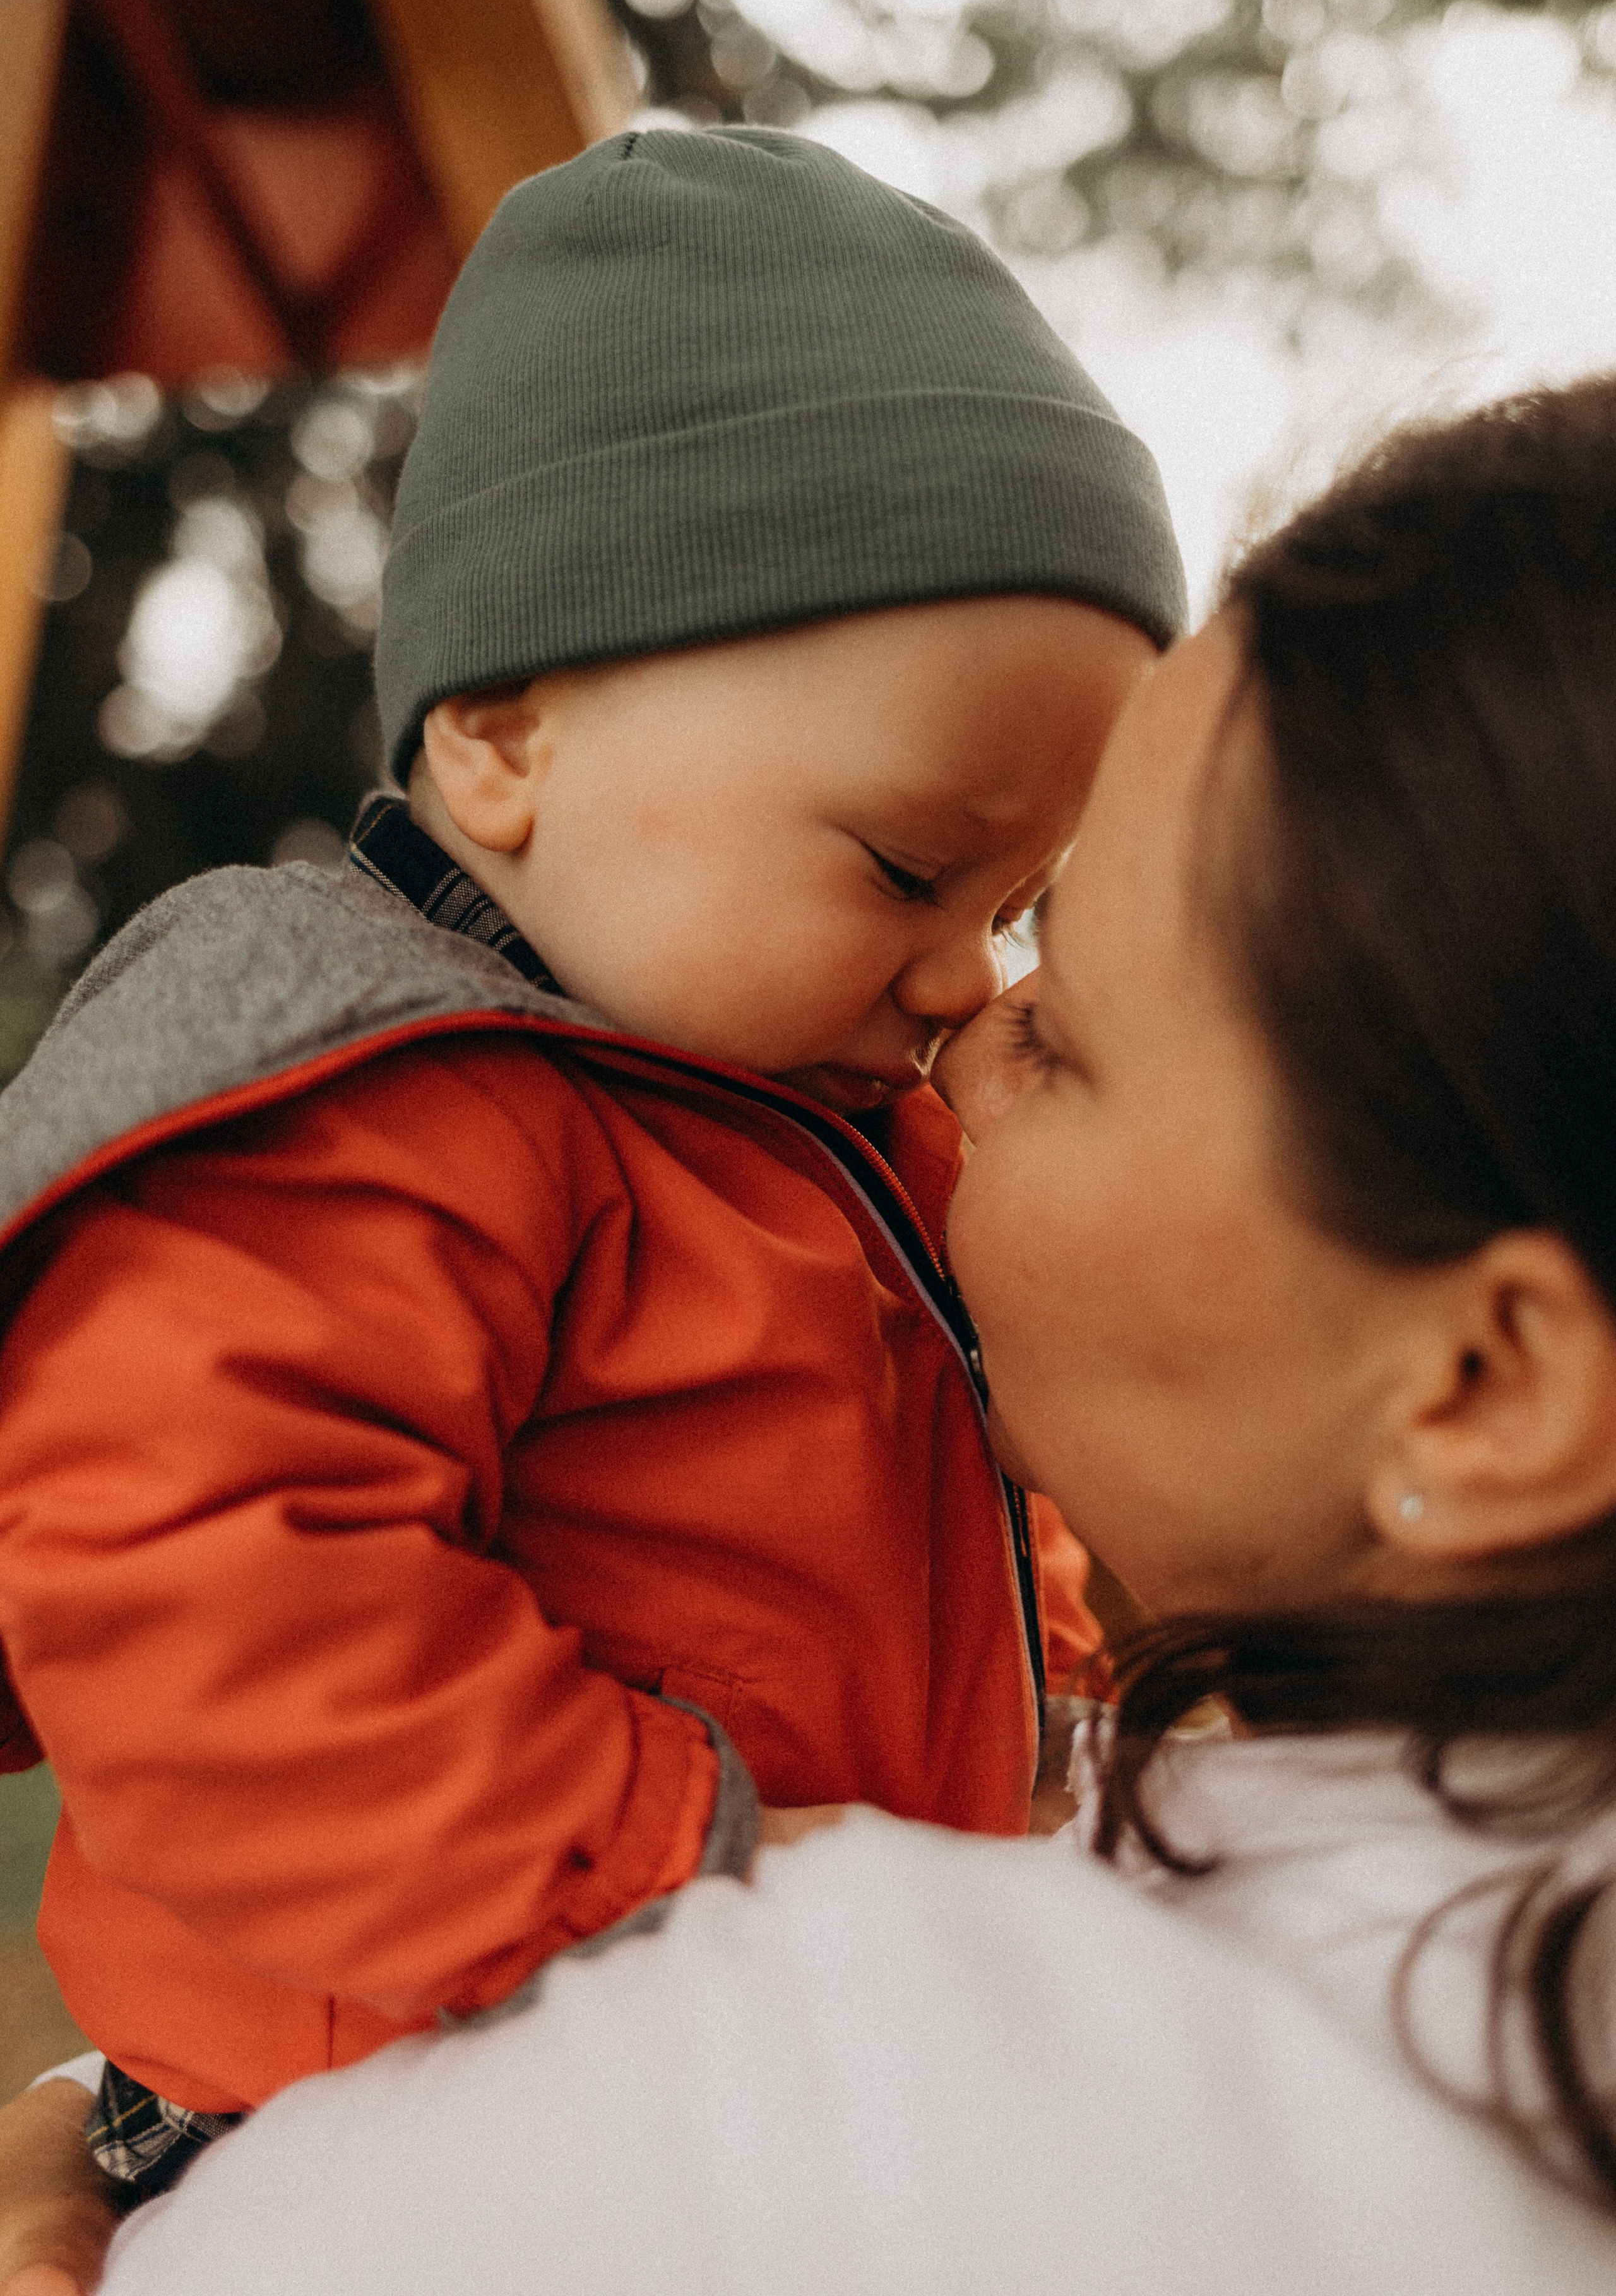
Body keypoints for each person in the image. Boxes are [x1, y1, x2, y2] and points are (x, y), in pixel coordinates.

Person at [14, 371, 1616, 2296]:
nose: (958, 1026)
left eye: (1062, 1020)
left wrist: (123, 2160)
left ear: (1486, 1386)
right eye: (923, 885)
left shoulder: (796, 2123)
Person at [0, 126, 1183, 2210]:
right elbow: (201, 1575)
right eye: (914, 865)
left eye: (1020, 898)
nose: (960, 968)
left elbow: (953, 1524)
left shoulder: (811, 1131)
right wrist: (655, 1844)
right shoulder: (377, 1110)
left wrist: (1095, 1707)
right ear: (507, 740)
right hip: (390, 2103)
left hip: (708, 2057)